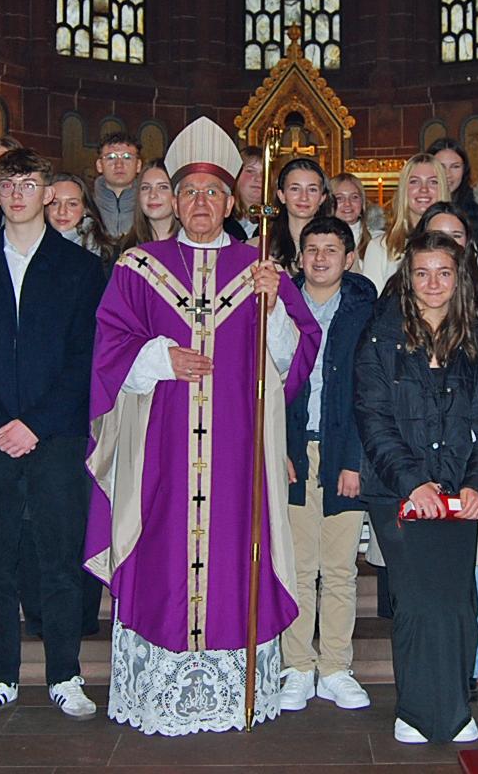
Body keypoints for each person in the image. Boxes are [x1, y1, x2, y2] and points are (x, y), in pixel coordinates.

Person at [85, 116, 321, 735]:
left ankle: (232, 683)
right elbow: (109, 347)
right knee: (163, 557)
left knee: (236, 559)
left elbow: (296, 359)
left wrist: (275, 306)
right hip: (161, 452)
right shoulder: (140, 265)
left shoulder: (257, 268)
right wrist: (160, 358)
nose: (200, 204)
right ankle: (159, 688)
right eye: (188, 191)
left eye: (213, 193)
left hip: (238, 457)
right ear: (169, 197)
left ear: (231, 199)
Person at [0, 149, 107, 720]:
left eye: (29, 183)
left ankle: (65, 673)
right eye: (8, 184)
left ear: (48, 193)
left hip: (55, 435)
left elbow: (85, 358)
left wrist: (35, 424)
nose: (17, 193)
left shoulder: (81, 269)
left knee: (59, 558)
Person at [354, 231, 478, 745]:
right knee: (417, 602)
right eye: (422, 272)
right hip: (398, 493)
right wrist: (413, 483)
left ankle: (456, 709)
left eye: (444, 272)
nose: (433, 283)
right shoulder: (380, 335)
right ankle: (415, 710)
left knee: (459, 602)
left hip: (460, 492)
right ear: (407, 278)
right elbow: (373, 419)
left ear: (458, 278)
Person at [278, 216, 379, 713]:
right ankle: (297, 665)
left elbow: (373, 389)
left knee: (339, 569)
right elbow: (263, 382)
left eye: (331, 249)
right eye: (311, 249)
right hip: (294, 449)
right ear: (299, 257)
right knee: (297, 567)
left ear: (349, 257)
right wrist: (280, 448)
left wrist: (357, 458)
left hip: (344, 450)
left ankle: (336, 666)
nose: (320, 258)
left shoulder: (367, 308)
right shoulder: (277, 303)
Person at [382, 153, 450, 271]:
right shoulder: (381, 247)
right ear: (404, 189)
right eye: (414, 182)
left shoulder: (459, 240)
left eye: (433, 182)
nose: (424, 189)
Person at [269, 157, 333, 272]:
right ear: (281, 195)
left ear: (322, 198)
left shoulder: (339, 244)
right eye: (295, 189)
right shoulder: (259, 246)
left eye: (312, 190)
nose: (304, 197)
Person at [330, 172, 391, 291]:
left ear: (362, 202)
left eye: (354, 197)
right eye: (339, 198)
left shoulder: (380, 241)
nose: (347, 204)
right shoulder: (318, 239)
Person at [47, 171, 115, 266]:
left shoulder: (107, 253)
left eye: (72, 204)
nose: (62, 211)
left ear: (85, 209)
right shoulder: (29, 248)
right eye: (54, 203)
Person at [427, 137, 478, 237]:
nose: (447, 174)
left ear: (464, 170)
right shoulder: (420, 205)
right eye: (441, 167)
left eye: (455, 167)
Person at [116, 158, 178, 253]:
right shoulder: (125, 248)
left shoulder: (191, 246)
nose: (152, 195)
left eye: (162, 187)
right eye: (145, 187)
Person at [93, 130, 143, 237]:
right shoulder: (86, 205)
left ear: (138, 165)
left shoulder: (149, 205)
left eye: (127, 157)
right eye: (111, 157)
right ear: (99, 165)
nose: (119, 164)